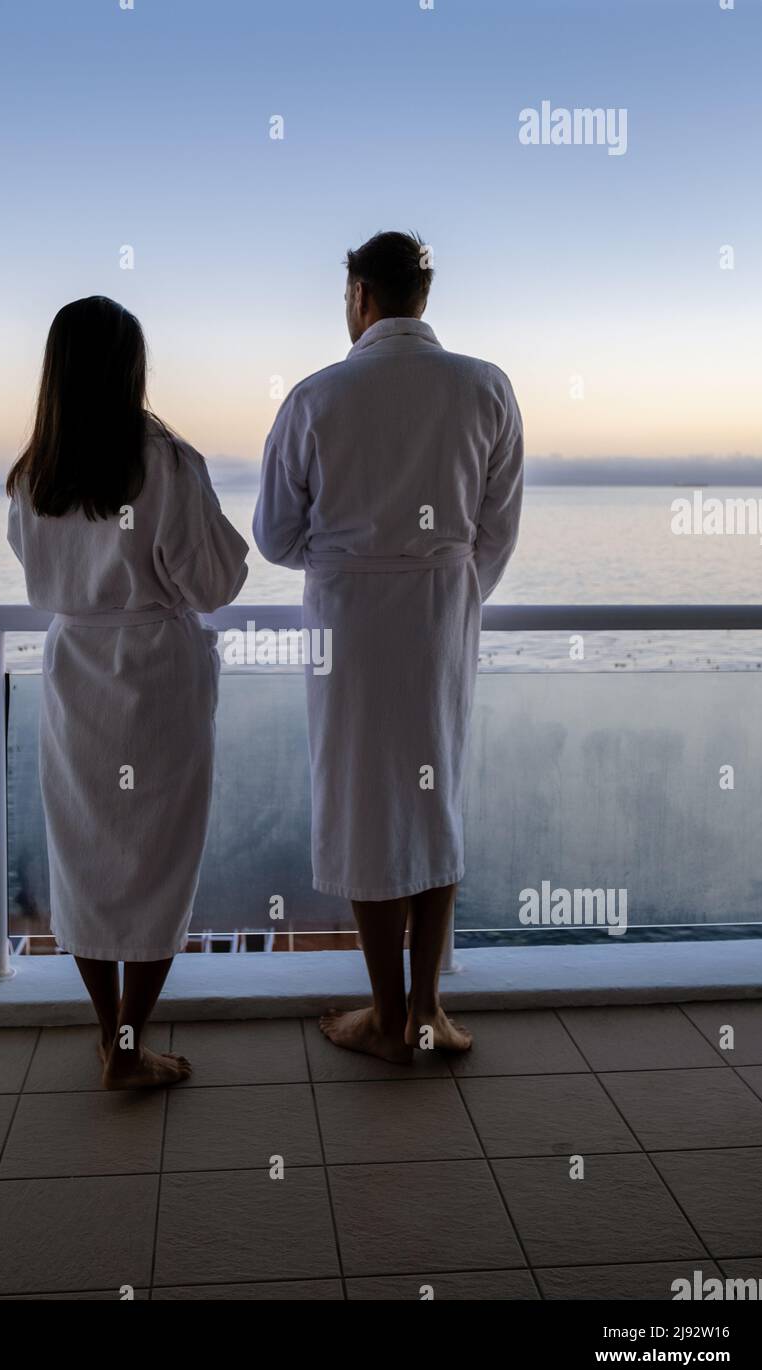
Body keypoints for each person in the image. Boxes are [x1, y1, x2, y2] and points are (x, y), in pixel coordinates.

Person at [253, 232, 523, 1063]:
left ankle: (385, 1013)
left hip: (349, 621)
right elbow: (495, 531)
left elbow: (273, 534)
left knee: (361, 799)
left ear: (361, 295)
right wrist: (438, 580)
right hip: (443, 614)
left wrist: (345, 561)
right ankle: (430, 1012)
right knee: (433, 790)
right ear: (424, 296)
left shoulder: (315, 397)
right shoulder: (486, 388)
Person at [7, 296, 248, 1087]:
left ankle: (109, 1033)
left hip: (75, 672)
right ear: (131, 366)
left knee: (84, 852)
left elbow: (39, 569)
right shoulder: (165, 461)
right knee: (158, 858)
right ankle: (131, 1047)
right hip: (155, 675)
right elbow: (214, 581)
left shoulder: (33, 472)